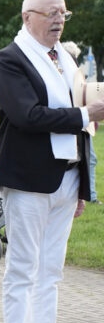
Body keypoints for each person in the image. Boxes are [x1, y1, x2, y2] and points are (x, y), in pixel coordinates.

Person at [0, 0, 104, 323]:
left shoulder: (65, 58)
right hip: (29, 179)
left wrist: (82, 185)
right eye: (51, 13)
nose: (59, 20)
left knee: (52, 270)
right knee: (23, 267)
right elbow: (27, 116)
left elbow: (81, 127)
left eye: (63, 14)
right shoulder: (9, 60)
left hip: (67, 177)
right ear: (28, 17)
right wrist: (84, 114)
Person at [62, 41, 98, 204]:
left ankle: (87, 195)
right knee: (86, 159)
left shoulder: (73, 72)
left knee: (88, 159)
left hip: (81, 122)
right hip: (77, 122)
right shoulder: (69, 73)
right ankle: (88, 195)